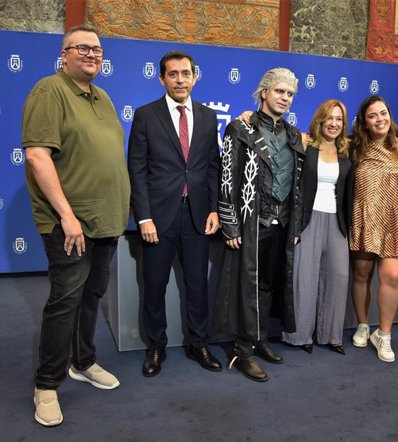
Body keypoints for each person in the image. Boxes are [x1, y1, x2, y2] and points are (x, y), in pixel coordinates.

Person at [21, 24, 131, 426]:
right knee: (65, 301)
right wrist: (67, 216)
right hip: (70, 223)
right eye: (81, 48)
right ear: (64, 54)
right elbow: (37, 156)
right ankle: (46, 384)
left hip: (105, 221)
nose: (91, 54)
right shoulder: (49, 91)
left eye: (97, 49)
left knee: (91, 297)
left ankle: (83, 361)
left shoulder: (102, 97)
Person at [128, 50, 222, 378]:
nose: (180, 79)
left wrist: (214, 209)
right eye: (173, 74)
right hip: (158, 217)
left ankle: (198, 343)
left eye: (186, 73)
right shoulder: (145, 115)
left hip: (197, 216)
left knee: (198, 285)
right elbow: (136, 169)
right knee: (154, 285)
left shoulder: (209, 117)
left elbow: (212, 166)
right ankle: (156, 346)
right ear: (162, 78)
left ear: (195, 77)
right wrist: (143, 217)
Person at [215, 68, 305, 382]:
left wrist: (295, 228)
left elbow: (298, 184)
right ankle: (243, 349)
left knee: (268, 283)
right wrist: (231, 226)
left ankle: (260, 338)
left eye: (290, 94)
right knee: (246, 285)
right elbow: (227, 177)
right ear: (264, 92)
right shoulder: (240, 129)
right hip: (252, 222)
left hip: (282, 224)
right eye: (279, 91)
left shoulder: (294, 135)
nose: (285, 98)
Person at [348, 95, 398, 363]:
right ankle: (363, 325)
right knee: (362, 272)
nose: (380, 119)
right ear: (364, 123)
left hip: (396, 222)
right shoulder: (355, 148)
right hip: (365, 219)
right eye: (373, 115)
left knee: (391, 276)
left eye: (383, 113)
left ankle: (384, 335)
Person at [281, 99, 353, 355]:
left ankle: (330, 334)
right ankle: (300, 335)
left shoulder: (347, 150)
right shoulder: (304, 144)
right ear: (320, 120)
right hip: (307, 220)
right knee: (305, 278)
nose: (334, 124)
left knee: (338, 277)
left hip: (337, 222)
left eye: (339, 119)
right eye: (329, 118)